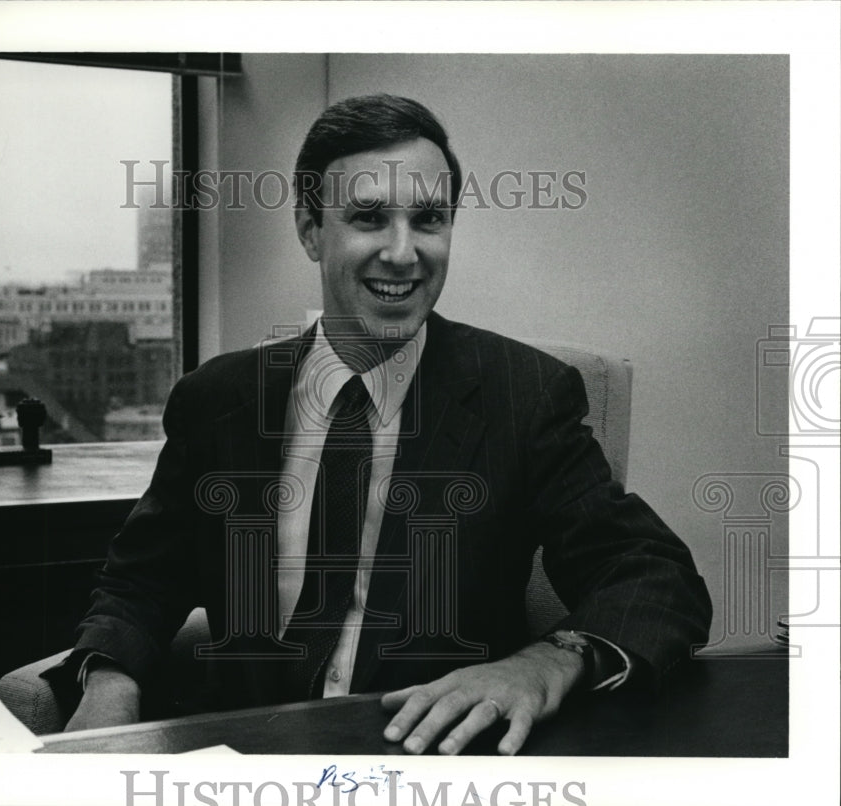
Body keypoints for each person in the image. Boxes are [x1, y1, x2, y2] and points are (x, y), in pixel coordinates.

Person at [49, 94, 712, 755]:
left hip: (434, 758)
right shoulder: (218, 400)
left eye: (427, 220)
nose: (403, 252)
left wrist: (546, 662)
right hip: (249, 754)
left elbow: (653, 574)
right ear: (311, 230)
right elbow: (142, 580)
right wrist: (110, 682)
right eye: (369, 218)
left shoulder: (525, 395)